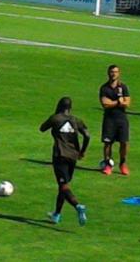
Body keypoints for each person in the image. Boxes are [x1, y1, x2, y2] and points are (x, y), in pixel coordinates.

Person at [38, 96, 89, 226]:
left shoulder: (55, 118)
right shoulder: (76, 120)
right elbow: (87, 135)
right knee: (63, 185)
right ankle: (57, 214)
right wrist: (82, 151)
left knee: (63, 186)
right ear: (70, 108)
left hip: (60, 155)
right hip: (73, 156)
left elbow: (42, 128)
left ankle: (78, 206)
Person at [98, 64, 131, 176]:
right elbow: (105, 104)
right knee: (108, 143)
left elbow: (127, 103)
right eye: (112, 72)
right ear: (108, 73)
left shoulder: (123, 87)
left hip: (122, 119)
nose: (113, 74)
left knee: (124, 142)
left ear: (119, 73)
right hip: (109, 119)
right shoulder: (104, 88)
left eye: (116, 72)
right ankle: (108, 164)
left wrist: (115, 102)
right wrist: (118, 102)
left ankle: (123, 164)